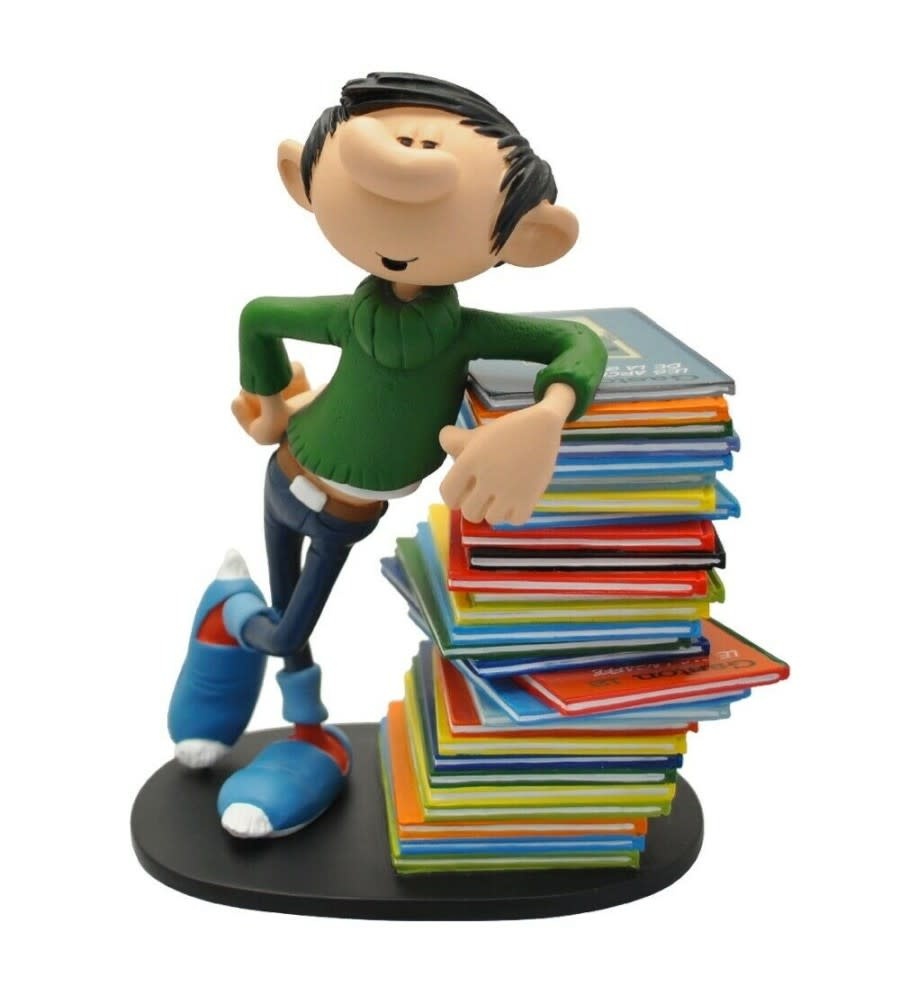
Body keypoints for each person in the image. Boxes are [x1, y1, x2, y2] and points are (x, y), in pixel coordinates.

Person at [167, 72, 607, 839]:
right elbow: (259, 316)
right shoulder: (348, 315)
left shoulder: (469, 333)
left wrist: (548, 416)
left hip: (347, 511)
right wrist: (267, 403)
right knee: (287, 630)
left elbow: (579, 342)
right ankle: (287, 701)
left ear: (530, 241)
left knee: (289, 627)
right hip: (286, 470)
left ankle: (232, 629)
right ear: (302, 182)